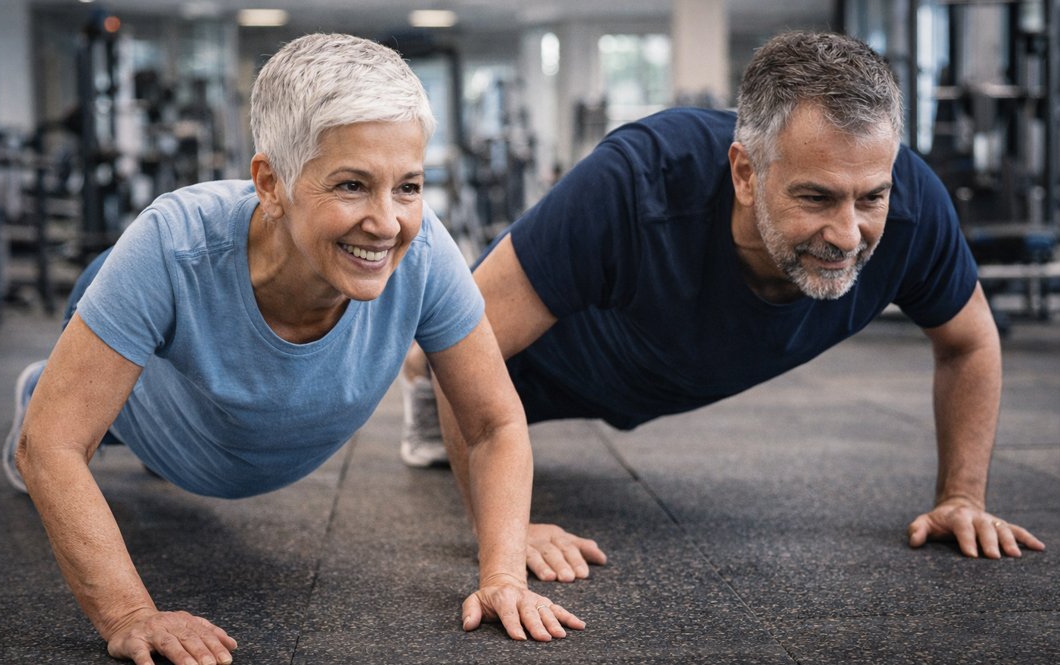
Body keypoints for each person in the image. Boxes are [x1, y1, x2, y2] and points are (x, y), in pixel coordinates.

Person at [3, 33, 583, 665]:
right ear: (270, 184)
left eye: (409, 186)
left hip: (221, 429)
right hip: (159, 394)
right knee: (70, 419)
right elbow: (51, 445)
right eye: (352, 185)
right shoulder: (170, 246)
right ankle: (44, 387)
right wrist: (130, 615)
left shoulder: (424, 254)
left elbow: (493, 423)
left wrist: (503, 572)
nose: (387, 222)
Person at [400, 30, 1046, 584]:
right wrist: (500, 533)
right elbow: (472, 338)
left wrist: (962, 496)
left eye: (870, 197)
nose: (849, 234)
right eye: (816, 198)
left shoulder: (913, 208)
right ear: (744, 174)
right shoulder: (636, 183)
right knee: (438, 349)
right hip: (537, 366)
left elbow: (969, 341)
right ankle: (418, 381)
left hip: (666, 366)